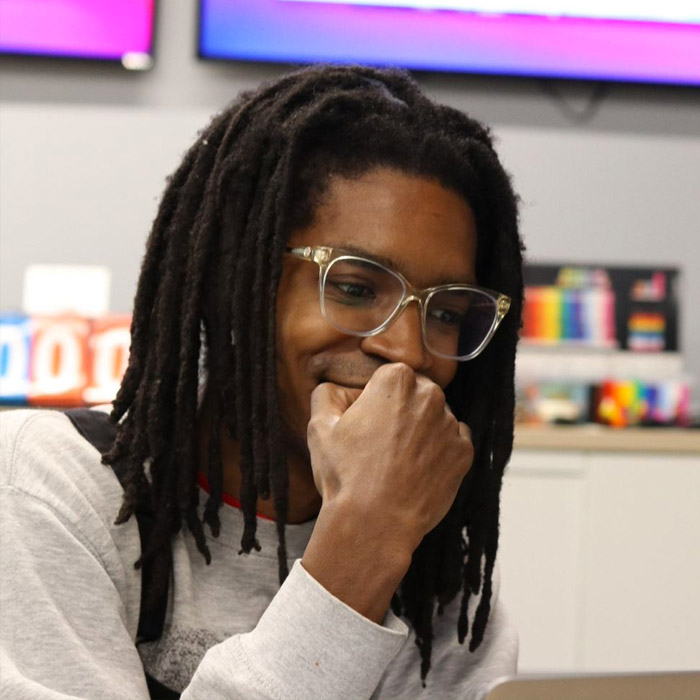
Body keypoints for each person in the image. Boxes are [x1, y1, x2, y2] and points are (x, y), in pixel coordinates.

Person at [0, 64, 523, 699]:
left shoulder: (444, 567)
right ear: (233, 283)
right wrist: (362, 544)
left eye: (445, 312)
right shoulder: (49, 488)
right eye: (355, 287)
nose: (407, 351)